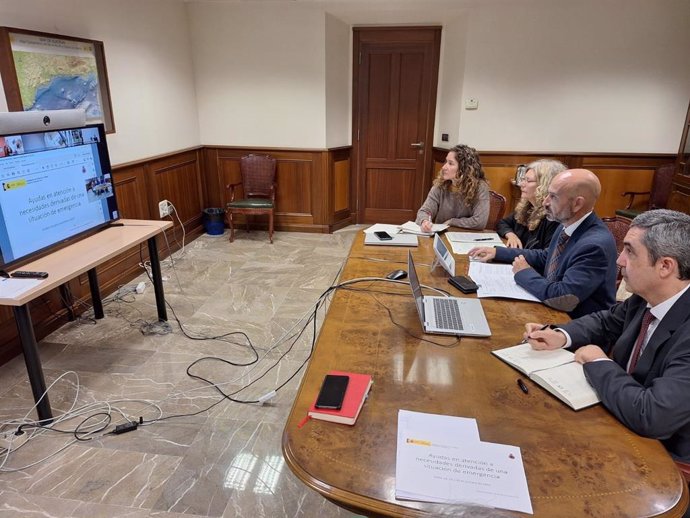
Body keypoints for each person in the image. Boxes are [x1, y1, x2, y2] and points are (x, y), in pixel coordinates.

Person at [523, 209, 690, 464]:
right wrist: (560, 334)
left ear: (665, 266)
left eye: (630, 251)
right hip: (621, 417)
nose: (620, 260)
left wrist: (599, 363)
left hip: (664, 459)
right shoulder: (645, 298)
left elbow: (653, 415)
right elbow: (605, 321)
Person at [468, 169, 617, 318]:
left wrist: (524, 273)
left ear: (577, 204)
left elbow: (563, 298)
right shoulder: (566, 224)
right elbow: (547, 257)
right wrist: (498, 252)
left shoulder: (594, 245)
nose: (545, 202)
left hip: (576, 325)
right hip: (550, 309)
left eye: (553, 197)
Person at [415, 144, 489, 232]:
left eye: (450, 163)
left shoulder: (480, 187)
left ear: (464, 168)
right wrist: (424, 221)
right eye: (445, 162)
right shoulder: (440, 185)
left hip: (467, 237)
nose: (444, 167)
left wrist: (452, 222)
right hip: (442, 235)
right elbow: (425, 211)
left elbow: (479, 222)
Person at [496, 159, 566, 249]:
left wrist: (499, 253)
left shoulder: (553, 216)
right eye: (523, 179)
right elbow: (503, 223)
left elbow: (544, 256)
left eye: (528, 181)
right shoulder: (527, 206)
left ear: (545, 185)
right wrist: (511, 235)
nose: (521, 184)